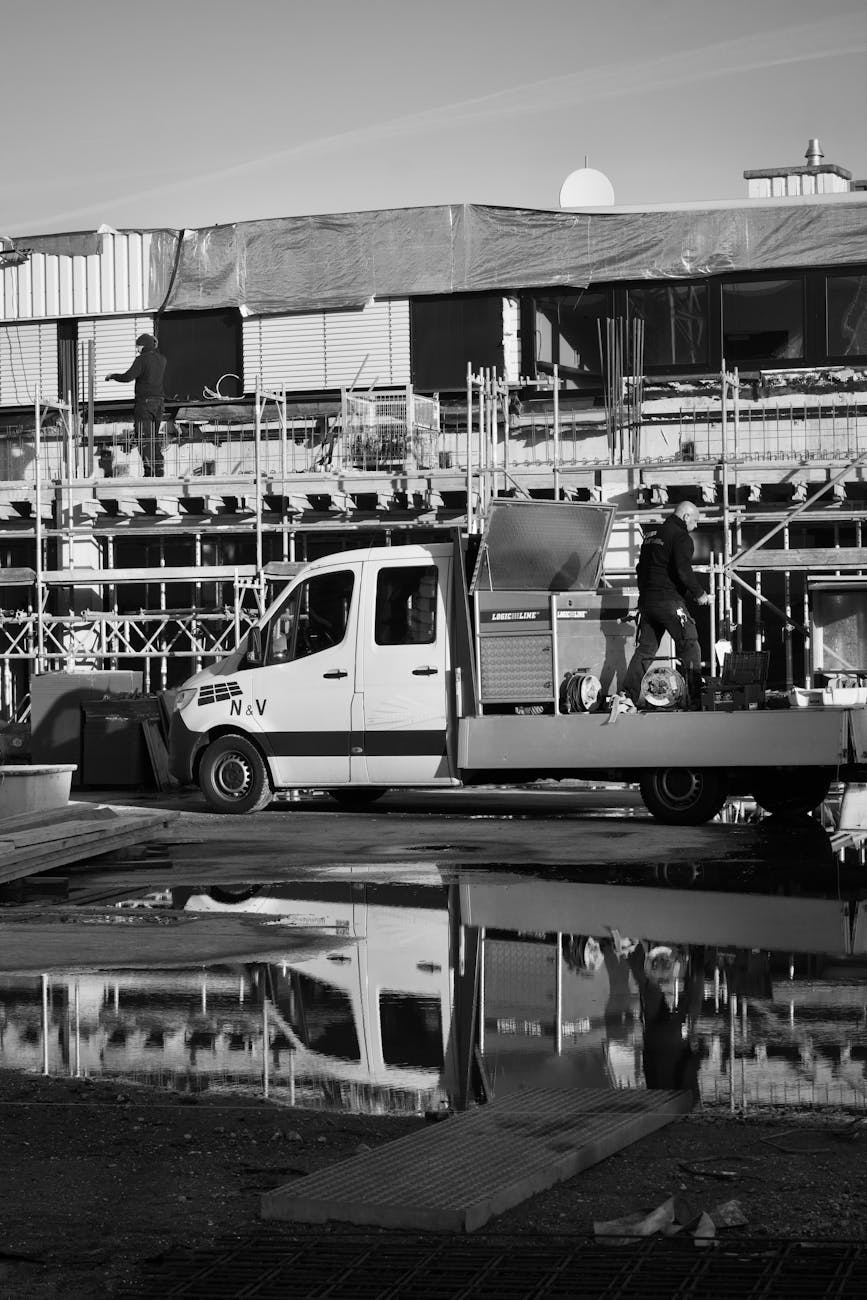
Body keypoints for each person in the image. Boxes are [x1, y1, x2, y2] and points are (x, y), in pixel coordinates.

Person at [622, 500, 710, 707]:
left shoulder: (650, 536)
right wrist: (699, 593)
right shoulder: (681, 537)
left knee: (645, 650)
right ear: (686, 516)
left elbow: (641, 570)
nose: (696, 525)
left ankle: (627, 696)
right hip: (669, 601)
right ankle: (694, 698)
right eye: (695, 520)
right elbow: (683, 570)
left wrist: (642, 602)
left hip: (648, 603)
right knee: (689, 644)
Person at [105, 333, 166, 476]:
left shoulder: (141, 360)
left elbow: (128, 377)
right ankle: (159, 470)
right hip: (159, 403)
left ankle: (149, 471)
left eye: (137, 346)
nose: (136, 349)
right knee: (153, 438)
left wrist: (112, 376)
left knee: (144, 438)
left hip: (144, 403)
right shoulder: (162, 359)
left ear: (143, 345)